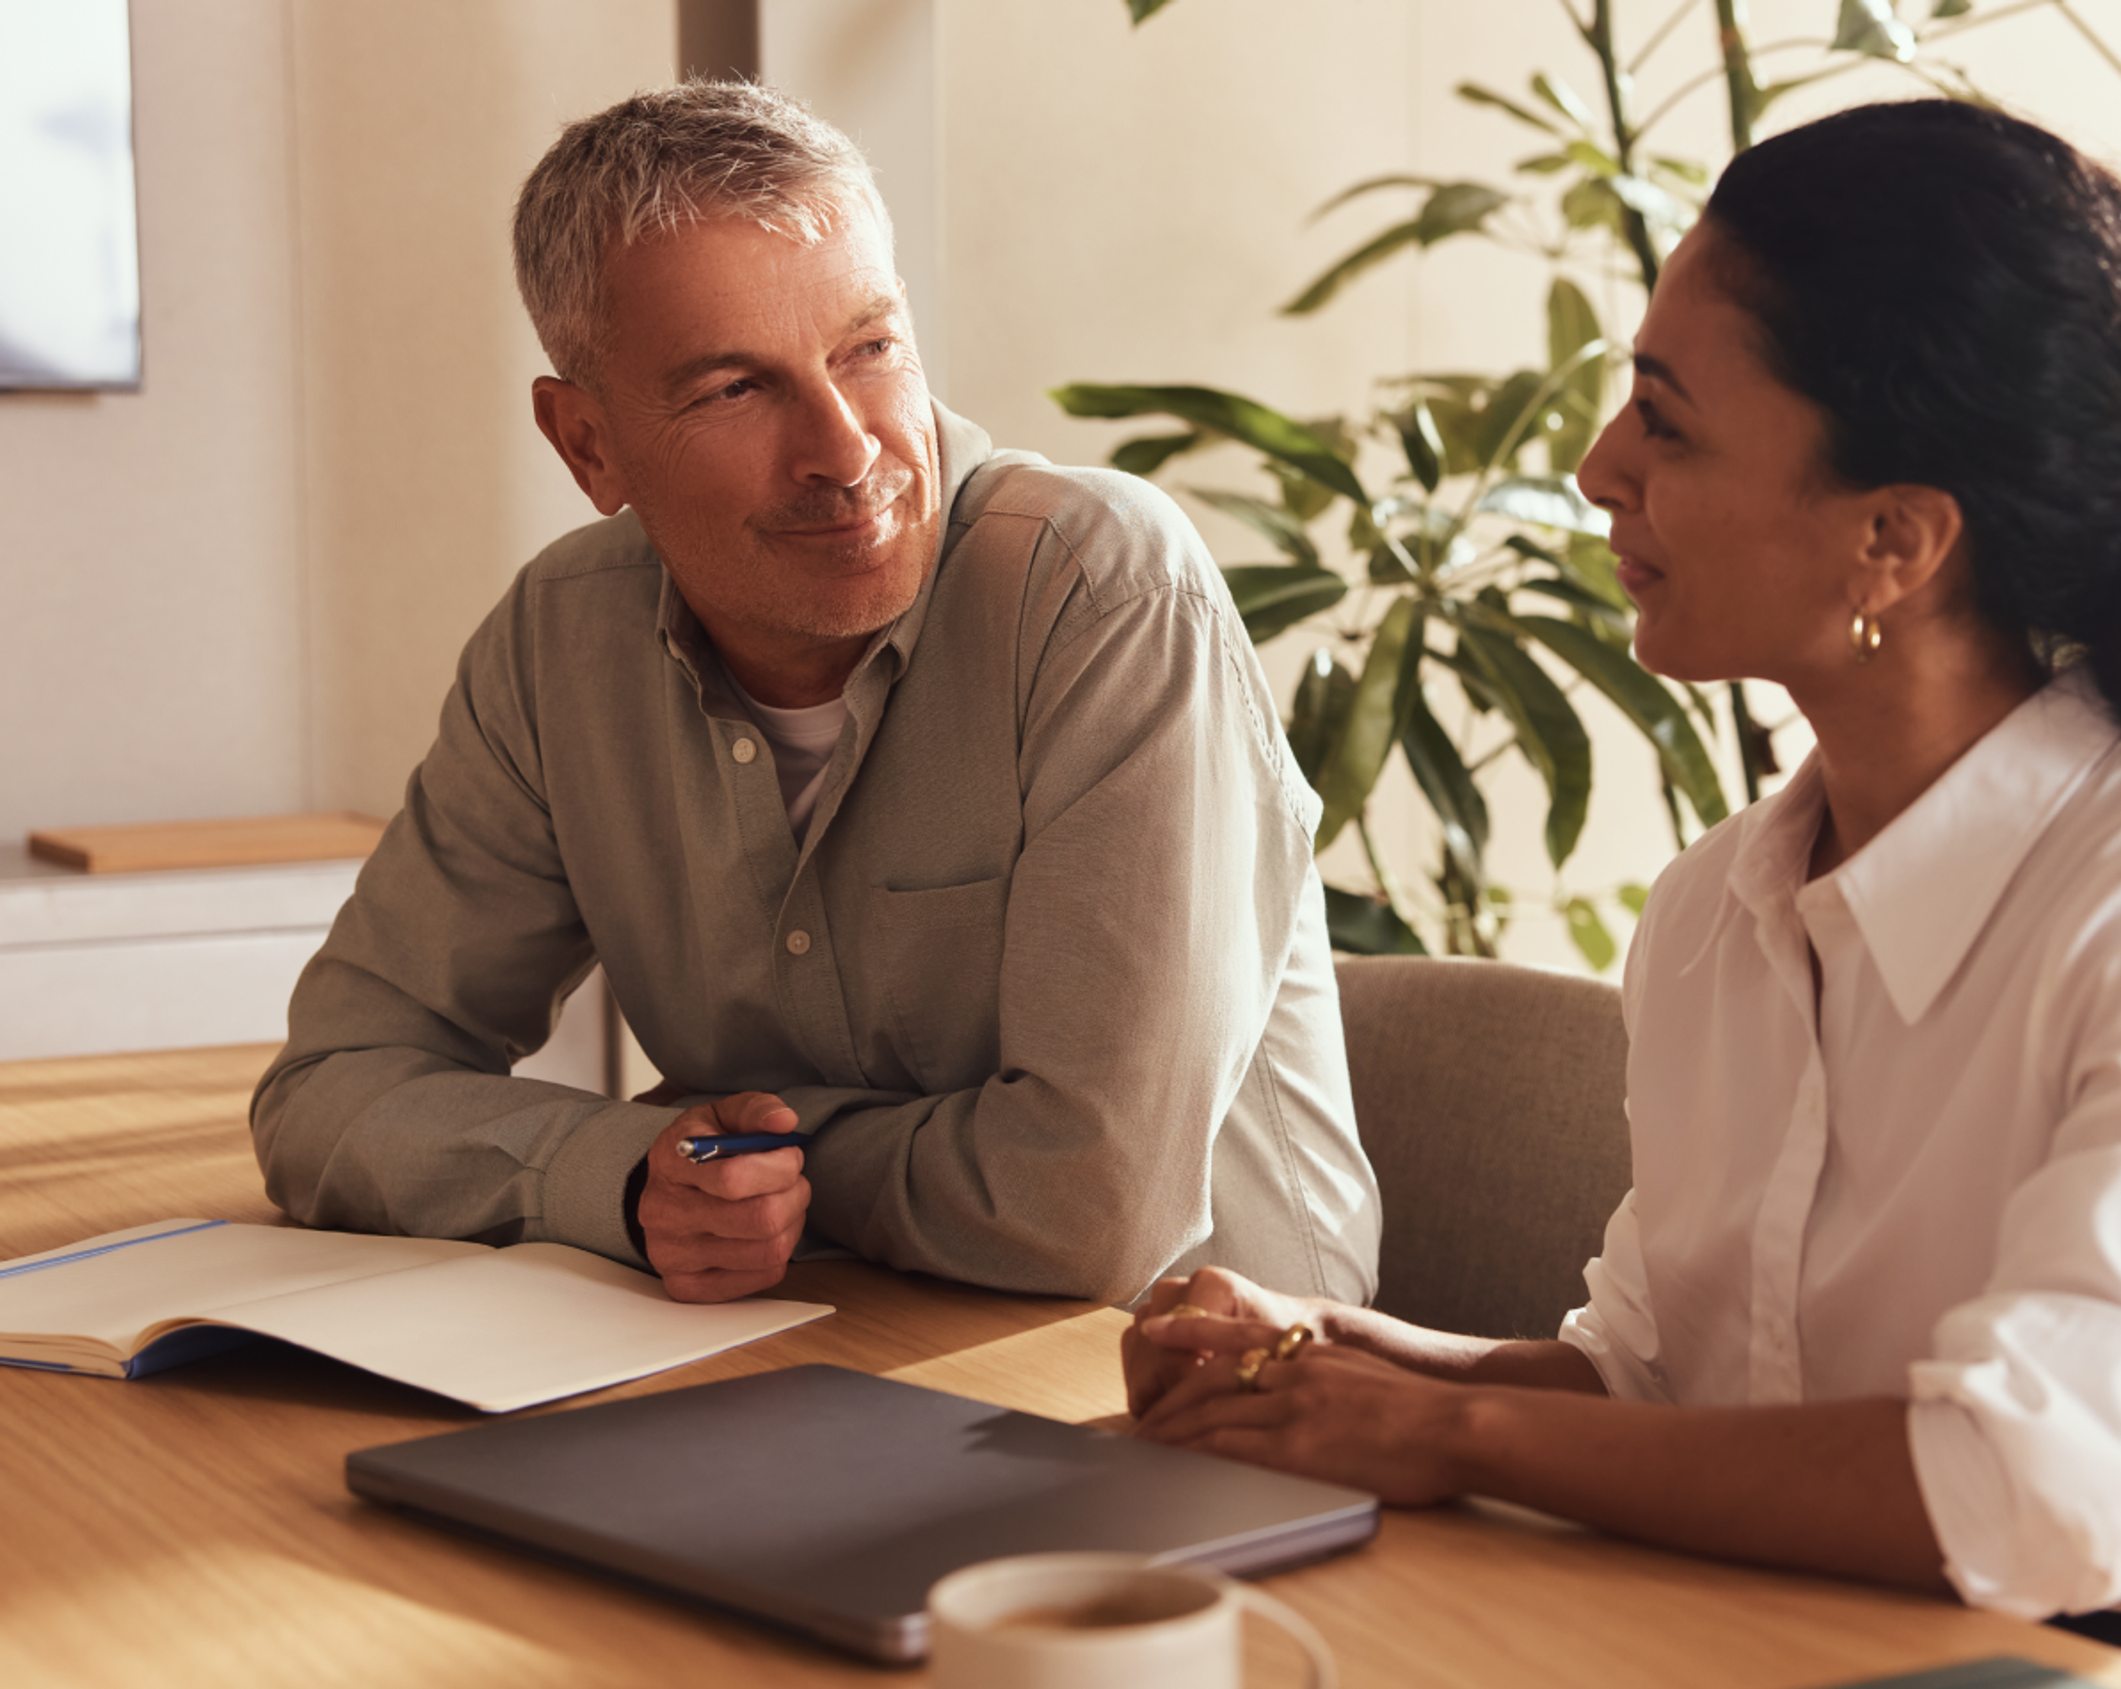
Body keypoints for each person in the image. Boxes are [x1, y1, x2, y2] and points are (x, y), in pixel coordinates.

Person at [1120, 100, 2121, 1689]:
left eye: (1667, 423)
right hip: (1799, 1623)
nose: (1600, 468)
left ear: (1893, 538)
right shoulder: (1717, 912)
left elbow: (2042, 1488)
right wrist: (1328, 1358)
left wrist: (1448, 1426)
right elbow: (1664, 1387)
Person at [251, 81, 1379, 1311]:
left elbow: (1092, 1215)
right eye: (736, 387)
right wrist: (624, 1175)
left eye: (870, 348)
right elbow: (334, 1089)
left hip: (1191, 1403)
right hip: (802, 1362)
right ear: (587, 445)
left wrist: (737, 1157)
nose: (845, 454)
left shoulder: (1098, 591)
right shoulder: (557, 643)